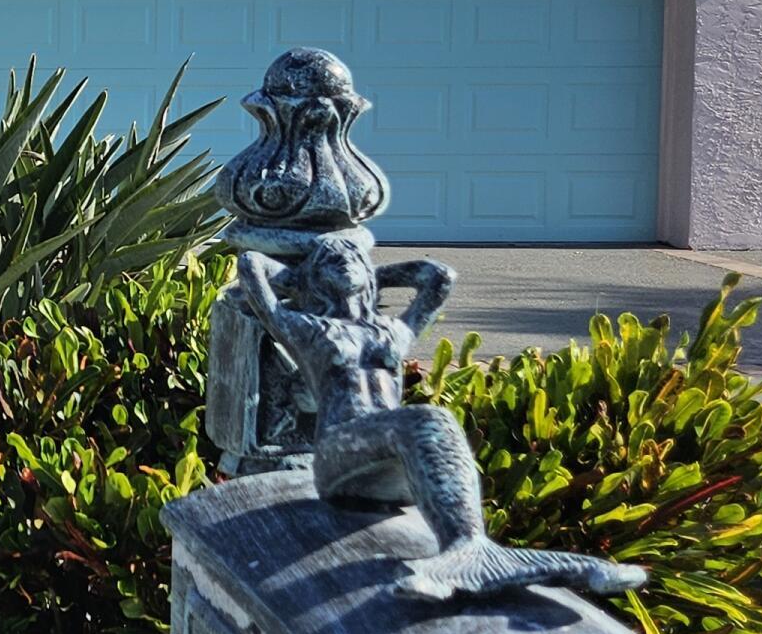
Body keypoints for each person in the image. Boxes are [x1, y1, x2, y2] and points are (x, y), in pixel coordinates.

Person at [233, 236, 646, 604]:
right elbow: (252, 264)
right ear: (315, 278)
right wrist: (301, 276)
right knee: (427, 419)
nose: (344, 265)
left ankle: (471, 548)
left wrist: (368, 269)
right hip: (339, 454)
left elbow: (438, 276)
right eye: (331, 263)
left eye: (353, 261)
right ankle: (466, 547)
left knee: (428, 422)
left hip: (389, 455)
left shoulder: (393, 331)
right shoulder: (308, 329)